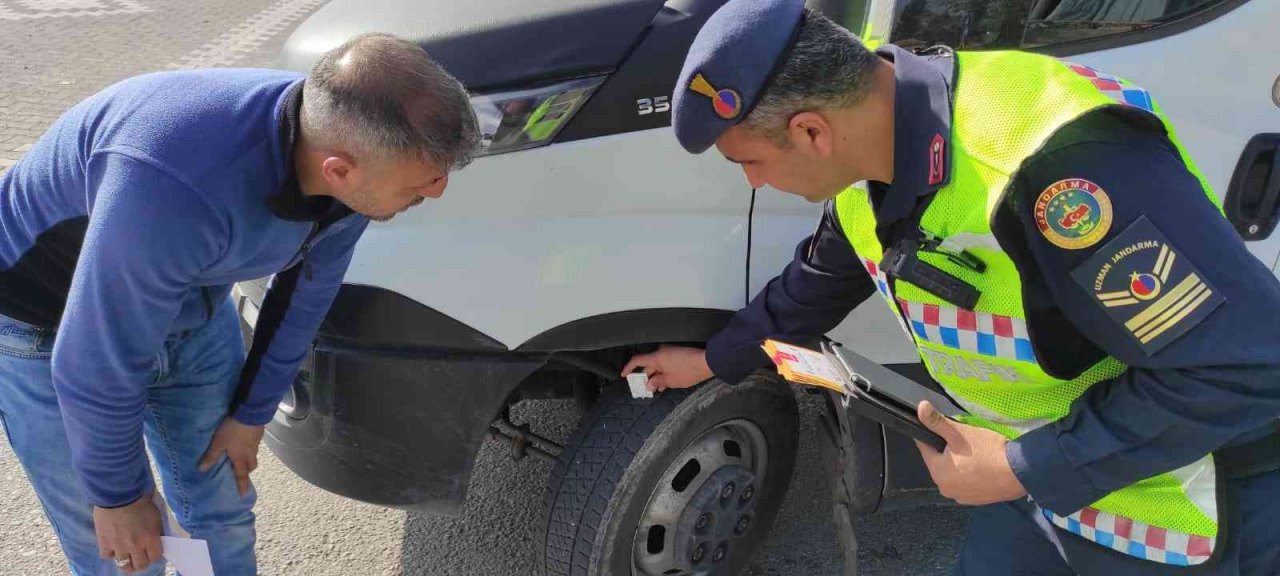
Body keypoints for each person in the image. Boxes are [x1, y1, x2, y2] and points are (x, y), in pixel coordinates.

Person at [621, 0, 1280, 573]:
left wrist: (1026, 467)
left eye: (750, 162)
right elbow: (815, 283)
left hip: (1179, 507)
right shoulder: (870, 159)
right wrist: (712, 361)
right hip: (1030, 483)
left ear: (811, 132)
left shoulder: (1053, 166)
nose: (754, 183)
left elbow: (1243, 366)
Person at [0, 33, 479, 574]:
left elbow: (307, 289)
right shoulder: (169, 182)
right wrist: (118, 496)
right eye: (425, 180)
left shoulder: (340, 145)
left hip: (190, 307)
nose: (437, 191)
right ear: (338, 169)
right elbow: (91, 363)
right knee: (119, 545)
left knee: (221, 505)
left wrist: (251, 412)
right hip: (46, 329)